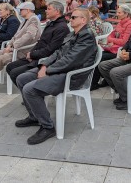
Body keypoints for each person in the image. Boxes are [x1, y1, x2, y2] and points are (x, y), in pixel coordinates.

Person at [14, 8, 98, 144]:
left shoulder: (87, 36)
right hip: (59, 71)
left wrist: (48, 71)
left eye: (73, 17)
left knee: (30, 89)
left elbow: (71, 60)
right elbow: (58, 53)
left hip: (72, 76)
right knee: (21, 79)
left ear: (83, 20)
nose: (70, 19)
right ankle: (34, 117)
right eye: (70, 17)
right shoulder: (73, 34)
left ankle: (47, 127)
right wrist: (45, 66)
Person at [6, 1, 70, 85]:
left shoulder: (62, 28)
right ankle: (29, 91)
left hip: (44, 60)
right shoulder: (51, 24)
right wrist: (31, 53)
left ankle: (32, 92)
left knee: (15, 74)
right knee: (10, 67)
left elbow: (51, 49)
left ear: (57, 11)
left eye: (49, 9)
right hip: (37, 56)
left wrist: (33, 55)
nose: (46, 11)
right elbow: (40, 42)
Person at [91, 4, 131, 91]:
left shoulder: (130, 24)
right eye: (117, 12)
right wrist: (112, 40)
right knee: (96, 55)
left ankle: (95, 83)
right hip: (112, 48)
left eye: (119, 12)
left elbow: (124, 41)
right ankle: (102, 80)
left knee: (100, 58)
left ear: (126, 14)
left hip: (120, 51)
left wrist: (113, 41)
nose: (117, 14)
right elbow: (110, 36)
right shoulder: (120, 22)